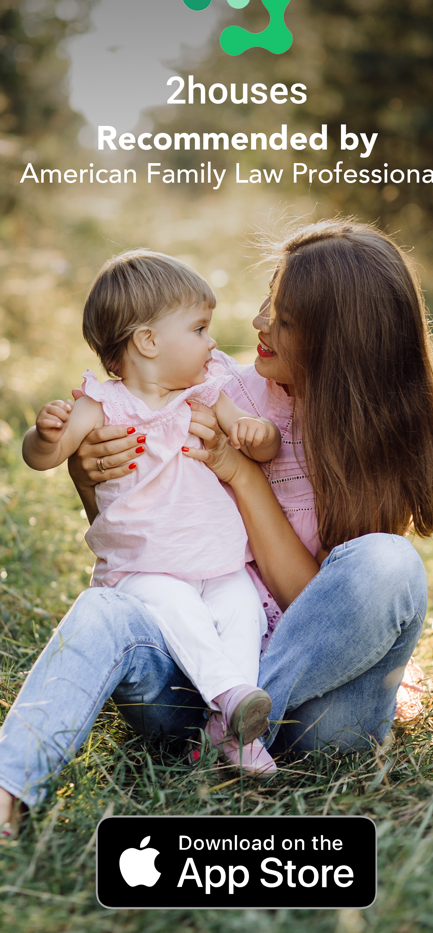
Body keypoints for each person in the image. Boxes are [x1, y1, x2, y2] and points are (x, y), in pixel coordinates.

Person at [0, 219, 433, 833]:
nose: (260, 322)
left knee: (390, 563)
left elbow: (320, 607)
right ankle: (14, 783)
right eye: (271, 296)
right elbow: (151, 539)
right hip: (190, 675)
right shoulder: (218, 391)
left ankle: (237, 720)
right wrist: (89, 473)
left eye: (287, 317)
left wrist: (242, 474)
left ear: (339, 341)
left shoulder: (376, 437)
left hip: (319, 711)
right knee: (104, 610)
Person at [22, 250, 282, 776]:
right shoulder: (104, 405)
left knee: (243, 613)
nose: (213, 341)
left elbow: (258, 443)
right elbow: (44, 458)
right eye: (200, 327)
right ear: (148, 341)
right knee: (178, 610)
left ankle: (227, 729)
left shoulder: (206, 392)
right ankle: (231, 701)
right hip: (147, 569)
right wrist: (44, 435)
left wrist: (260, 434)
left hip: (219, 562)